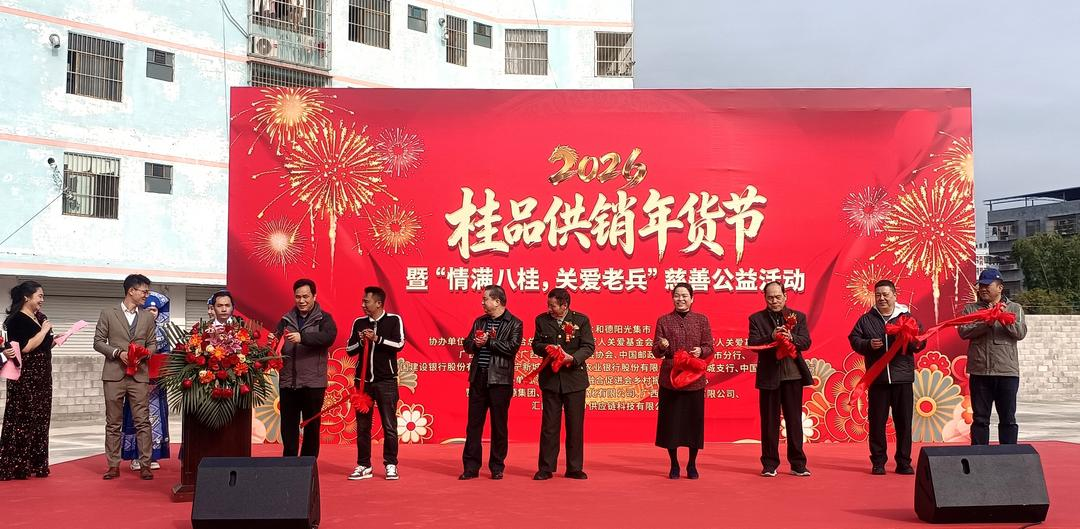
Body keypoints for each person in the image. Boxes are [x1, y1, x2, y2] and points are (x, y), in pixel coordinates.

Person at [848, 279, 926, 475]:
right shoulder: (866, 320)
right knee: (877, 423)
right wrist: (867, 345)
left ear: (894, 295)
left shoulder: (906, 318)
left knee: (904, 423)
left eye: (885, 294)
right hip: (878, 379)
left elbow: (921, 341)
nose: (882, 298)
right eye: (878, 295)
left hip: (902, 379)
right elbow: (854, 339)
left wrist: (909, 340)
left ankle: (904, 462)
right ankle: (878, 462)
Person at [93, 274, 158, 480]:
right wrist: (117, 353)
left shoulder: (147, 317)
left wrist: (145, 353)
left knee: (143, 421)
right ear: (131, 291)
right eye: (144, 292)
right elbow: (98, 342)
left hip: (139, 375)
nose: (146, 296)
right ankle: (113, 465)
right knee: (113, 422)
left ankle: (145, 464)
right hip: (114, 374)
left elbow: (153, 343)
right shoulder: (108, 313)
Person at [748, 281, 813, 477]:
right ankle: (769, 464)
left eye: (778, 297)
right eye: (770, 297)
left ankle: (798, 464)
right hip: (769, 377)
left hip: (793, 376)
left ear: (785, 296)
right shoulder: (756, 319)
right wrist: (772, 336)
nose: (774, 301)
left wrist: (791, 337)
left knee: (794, 421)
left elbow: (806, 342)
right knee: (769, 422)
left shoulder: (798, 317)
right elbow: (753, 343)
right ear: (765, 298)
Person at [957, 268, 1028, 445]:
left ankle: (1009, 455)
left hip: (1006, 372)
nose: (983, 289)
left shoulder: (1014, 308)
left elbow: (1020, 333)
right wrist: (987, 322)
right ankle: (979, 456)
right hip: (980, 371)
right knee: (980, 419)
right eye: (981, 285)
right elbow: (964, 331)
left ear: (1000, 287)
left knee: (1008, 419)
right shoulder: (971, 309)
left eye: (987, 285)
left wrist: (1001, 317)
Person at [268, 278, 338, 458]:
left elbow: (328, 338)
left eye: (306, 296)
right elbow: (276, 342)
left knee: (311, 428)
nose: (302, 301)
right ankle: (289, 463)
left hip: (313, 383)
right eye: (298, 297)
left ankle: (308, 464)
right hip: (288, 383)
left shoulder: (324, 318)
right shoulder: (286, 320)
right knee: (288, 427)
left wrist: (303, 338)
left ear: (314, 296)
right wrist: (272, 342)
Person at [651, 282, 714, 479]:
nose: (681, 299)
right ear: (673, 298)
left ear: (692, 298)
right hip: (671, 379)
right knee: (671, 424)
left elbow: (710, 347)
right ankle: (674, 464)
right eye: (677, 295)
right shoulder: (664, 320)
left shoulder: (701, 320)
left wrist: (701, 351)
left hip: (693, 378)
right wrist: (662, 346)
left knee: (693, 424)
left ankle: (692, 464)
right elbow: (655, 352)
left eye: (685, 295)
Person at [460, 285, 523, 480]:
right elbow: (467, 344)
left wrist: (489, 342)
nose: (482, 302)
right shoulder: (480, 321)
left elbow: (512, 347)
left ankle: (497, 466)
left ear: (497, 301)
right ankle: (471, 467)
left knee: (499, 425)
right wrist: (475, 343)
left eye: (485, 299)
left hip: (500, 381)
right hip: (478, 378)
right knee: (473, 425)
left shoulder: (514, 323)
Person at [531, 288, 594, 480]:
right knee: (549, 426)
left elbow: (588, 346)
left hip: (574, 380)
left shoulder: (581, 320)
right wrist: (547, 348)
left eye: (553, 306)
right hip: (551, 380)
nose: (549, 309)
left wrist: (572, 358)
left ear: (564, 305)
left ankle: (574, 468)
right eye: (548, 305)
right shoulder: (542, 320)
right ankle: (546, 467)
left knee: (575, 425)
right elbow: (535, 345)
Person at [345, 286, 405, 481]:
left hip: (386, 381)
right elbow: (349, 350)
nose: (363, 304)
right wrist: (361, 341)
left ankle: (391, 464)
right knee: (363, 426)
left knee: (389, 425)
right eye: (363, 301)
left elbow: (399, 344)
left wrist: (377, 339)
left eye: (366, 301)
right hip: (363, 384)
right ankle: (364, 465)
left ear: (378, 303)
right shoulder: (359, 322)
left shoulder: (393, 320)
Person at [0, 281, 55, 480]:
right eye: (39, 296)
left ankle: (36, 462)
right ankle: (17, 465)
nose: (42, 300)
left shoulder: (40, 317)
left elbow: (43, 344)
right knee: (23, 419)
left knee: (41, 419)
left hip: (43, 375)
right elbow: (25, 347)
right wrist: (43, 331)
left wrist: (54, 339)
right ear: (26, 297)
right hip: (26, 377)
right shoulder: (16, 320)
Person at [122, 291, 171, 471]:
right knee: (136, 417)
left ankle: (153, 456)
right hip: (136, 379)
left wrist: (159, 376)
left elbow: (166, 356)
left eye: (154, 310)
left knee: (157, 418)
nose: (152, 313)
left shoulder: (164, 332)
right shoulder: (134, 329)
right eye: (148, 309)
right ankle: (136, 456)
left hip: (157, 384)